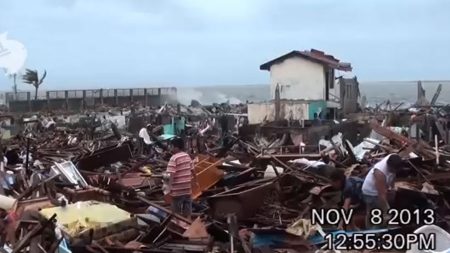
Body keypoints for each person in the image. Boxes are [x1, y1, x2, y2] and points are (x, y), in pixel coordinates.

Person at [361, 154, 403, 229]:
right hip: (371, 193)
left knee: (372, 212)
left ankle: (370, 228)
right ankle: (373, 232)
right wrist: (387, 210)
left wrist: (392, 188)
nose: (394, 171)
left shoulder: (393, 158)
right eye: (393, 170)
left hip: (377, 191)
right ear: (389, 167)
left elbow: (393, 175)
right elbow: (381, 195)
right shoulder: (380, 173)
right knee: (379, 215)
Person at [165, 137, 198, 219]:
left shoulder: (173, 158)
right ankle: (188, 222)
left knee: (176, 211)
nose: (170, 148)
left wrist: (167, 189)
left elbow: (170, 175)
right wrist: (196, 181)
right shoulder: (187, 156)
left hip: (177, 190)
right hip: (187, 188)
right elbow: (193, 170)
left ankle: (178, 224)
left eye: (171, 146)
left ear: (176, 147)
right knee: (187, 209)